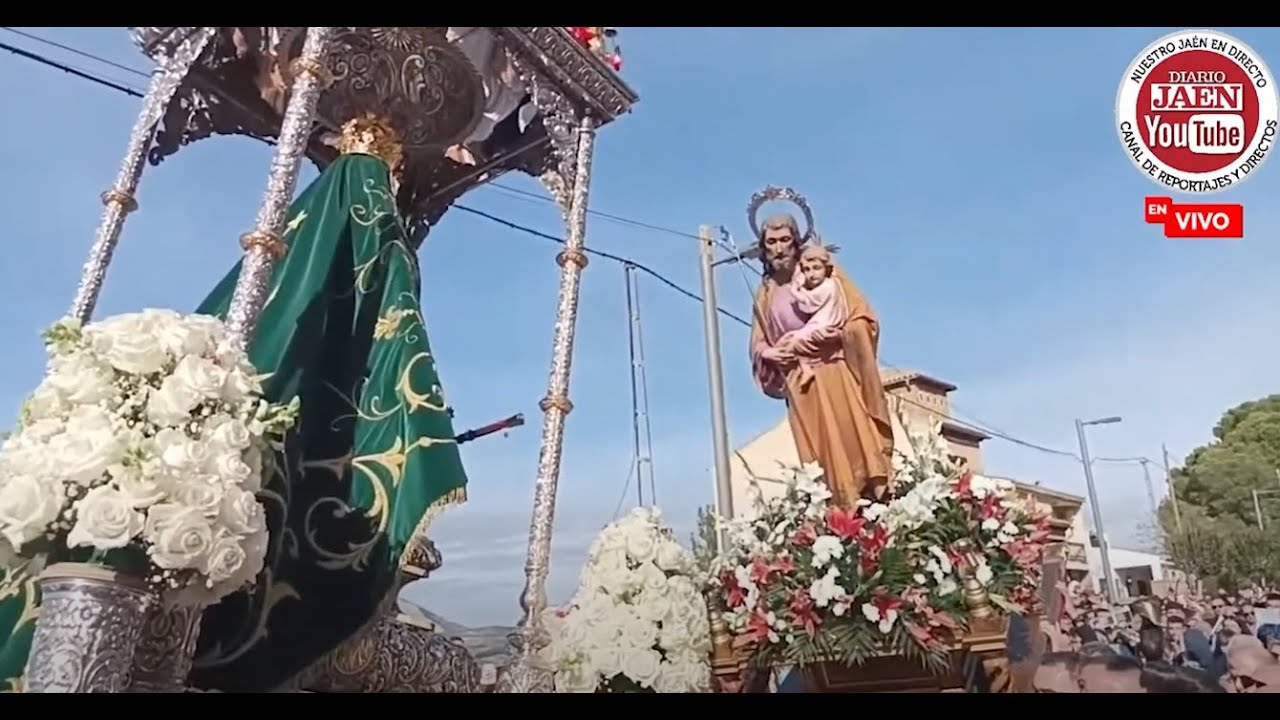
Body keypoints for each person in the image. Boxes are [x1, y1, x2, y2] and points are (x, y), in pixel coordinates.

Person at [748, 200, 895, 506]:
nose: (778, 248)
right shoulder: (766, 292)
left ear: (796, 242)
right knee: (820, 464)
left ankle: (871, 505)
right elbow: (758, 343)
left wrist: (839, 335)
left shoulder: (823, 273)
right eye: (771, 242)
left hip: (835, 372)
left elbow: (862, 317)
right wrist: (770, 355)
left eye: (785, 240)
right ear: (763, 247)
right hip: (802, 385)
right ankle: (837, 520)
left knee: (854, 443)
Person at [773, 244, 847, 391]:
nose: (811, 274)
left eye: (816, 268)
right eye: (807, 270)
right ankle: (805, 367)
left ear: (826, 269)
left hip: (824, 325)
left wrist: (796, 289)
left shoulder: (828, 286)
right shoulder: (824, 285)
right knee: (786, 342)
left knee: (793, 343)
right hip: (817, 323)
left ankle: (806, 367)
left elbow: (808, 303)